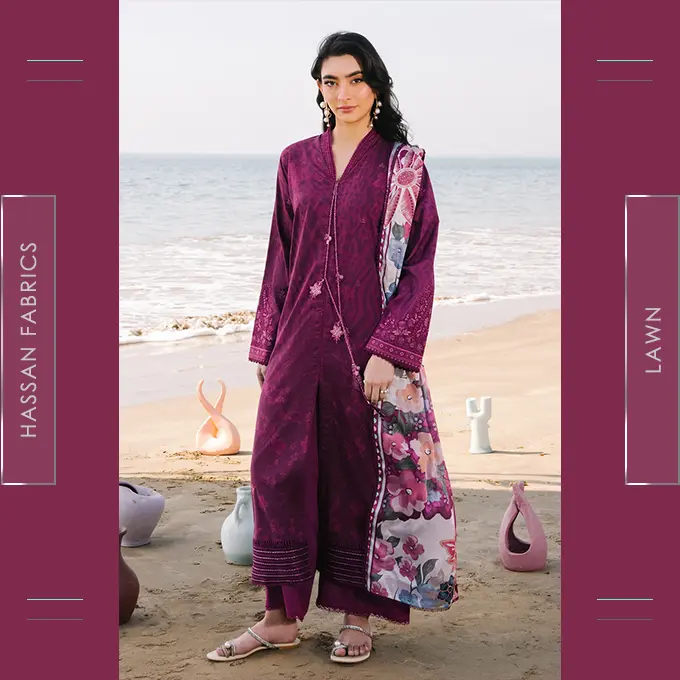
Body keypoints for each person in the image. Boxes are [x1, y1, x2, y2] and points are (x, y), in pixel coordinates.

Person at [208, 30, 458, 666]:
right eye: (330, 81)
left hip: (368, 349)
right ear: (318, 90)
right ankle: (278, 617)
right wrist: (266, 342)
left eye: (355, 79)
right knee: (277, 469)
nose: (342, 92)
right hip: (297, 341)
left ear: (376, 86)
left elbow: (419, 266)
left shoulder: (404, 167)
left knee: (356, 473)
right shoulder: (295, 160)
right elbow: (280, 255)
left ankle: (356, 616)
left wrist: (389, 349)